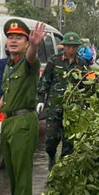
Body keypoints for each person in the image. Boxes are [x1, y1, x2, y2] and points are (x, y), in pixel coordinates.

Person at [0, 18, 46, 195]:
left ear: (27, 43)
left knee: (21, 168)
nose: (13, 40)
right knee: (11, 168)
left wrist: (35, 46)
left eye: (19, 37)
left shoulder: (28, 64)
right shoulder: (9, 66)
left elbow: (32, 57)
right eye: (10, 37)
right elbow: (6, 94)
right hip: (9, 120)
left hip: (23, 121)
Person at [37, 31, 85, 168]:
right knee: (51, 138)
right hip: (54, 106)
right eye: (68, 46)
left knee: (69, 141)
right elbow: (45, 81)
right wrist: (40, 99)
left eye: (74, 46)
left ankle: (63, 167)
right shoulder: (54, 61)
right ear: (64, 46)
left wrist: (86, 103)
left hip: (72, 108)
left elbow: (85, 85)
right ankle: (52, 156)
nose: (71, 49)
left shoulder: (82, 64)